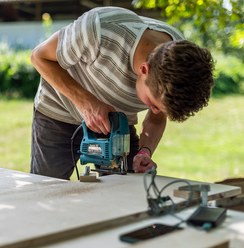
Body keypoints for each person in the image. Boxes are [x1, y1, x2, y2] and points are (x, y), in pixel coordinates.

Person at [30, 7, 215, 180]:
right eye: (152, 104)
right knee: (47, 191)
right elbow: (39, 56)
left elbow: (157, 117)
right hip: (57, 113)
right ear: (144, 70)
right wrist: (87, 103)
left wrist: (145, 152)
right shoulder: (99, 30)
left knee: (126, 194)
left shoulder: (178, 64)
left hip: (115, 125)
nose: (154, 110)